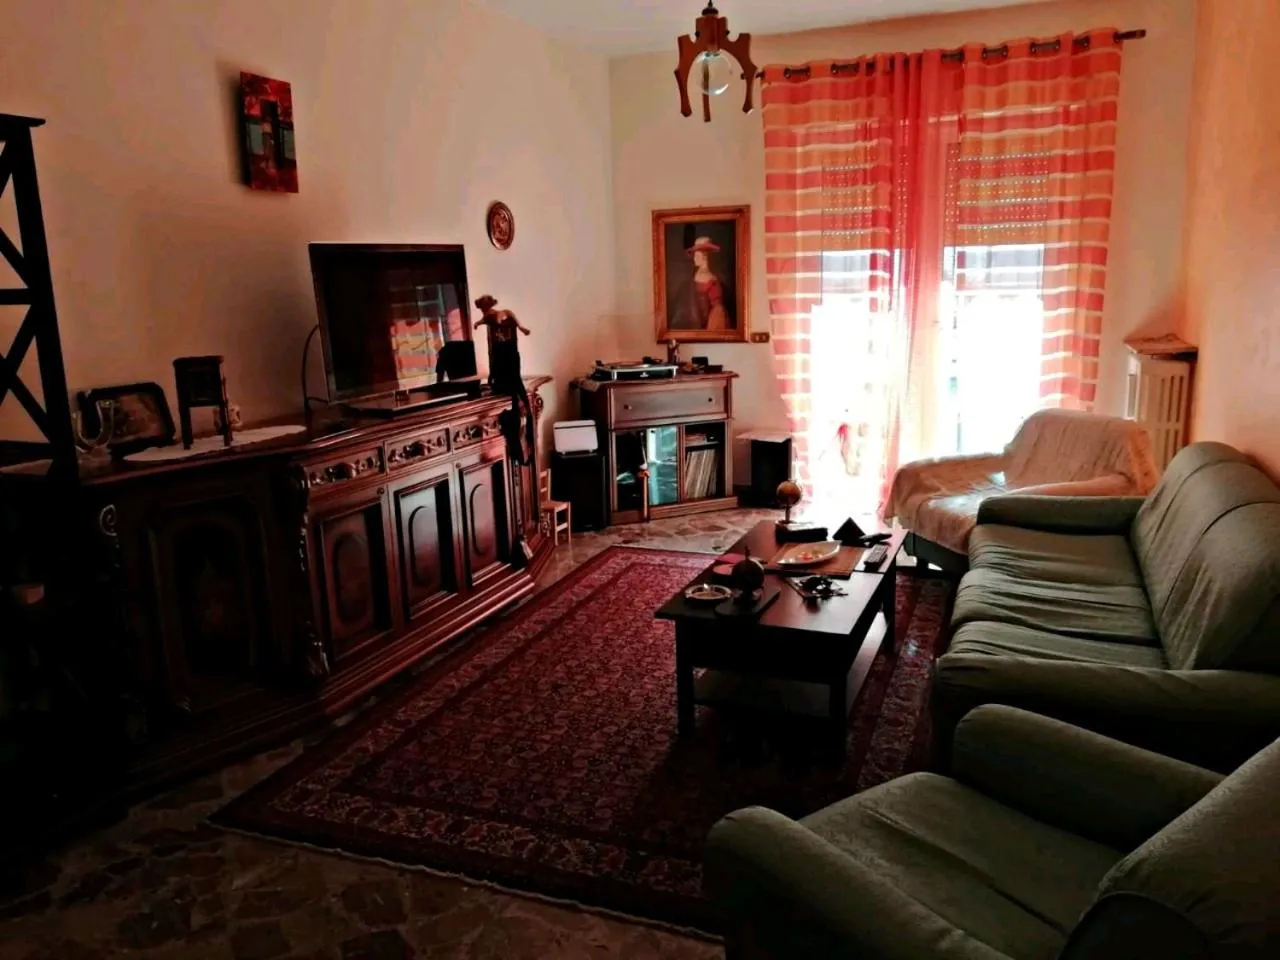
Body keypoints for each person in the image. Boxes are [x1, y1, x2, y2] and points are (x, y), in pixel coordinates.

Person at [474, 294, 534, 464]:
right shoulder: (488, 317)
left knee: (519, 404)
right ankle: (521, 451)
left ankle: (522, 450)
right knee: (519, 404)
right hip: (503, 367)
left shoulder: (501, 313)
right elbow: (482, 322)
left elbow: (509, 315)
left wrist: (521, 328)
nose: (483, 311)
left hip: (508, 364)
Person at [669, 235, 731, 331]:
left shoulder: (715, 283)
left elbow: (717, 314)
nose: (694, 259)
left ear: (704, 256)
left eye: (696, 255)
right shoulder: (687, 284)